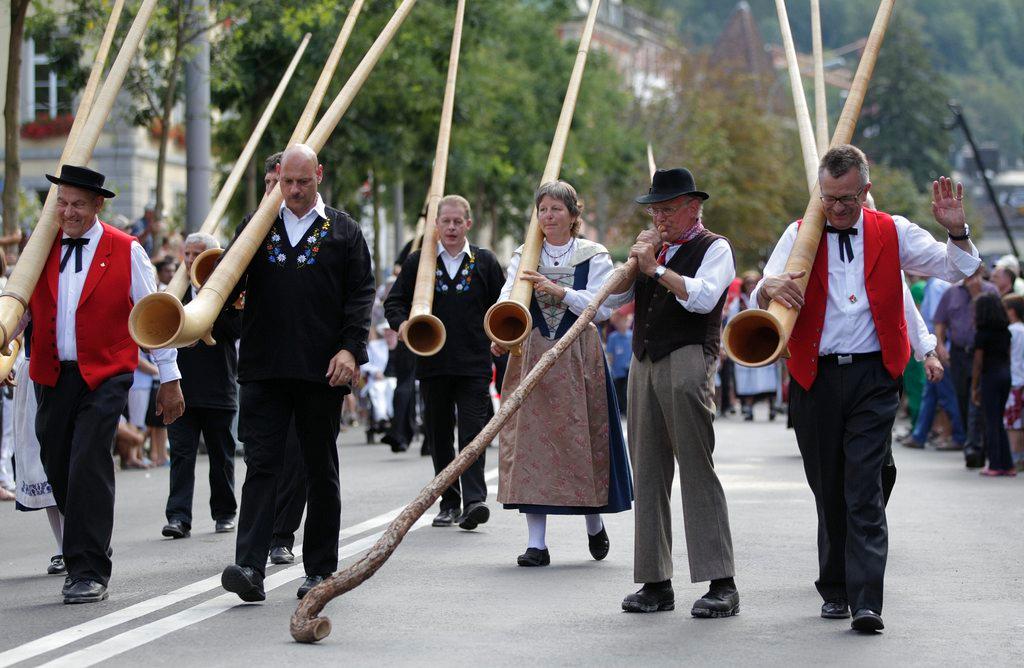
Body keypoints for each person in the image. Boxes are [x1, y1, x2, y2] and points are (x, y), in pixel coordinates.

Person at [752, 145, 980, 632]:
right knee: (828, 487)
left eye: (847, 200)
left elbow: (958, 270)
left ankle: (866, 600)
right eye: (828, 199)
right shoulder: (798, 234)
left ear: (865, 191)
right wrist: (767, 289)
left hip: (875, 378)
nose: (836, 210)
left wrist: (956, 229)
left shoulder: (892, 230)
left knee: (864, 488)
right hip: (814, 377)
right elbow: (761, 293)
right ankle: (833, 586)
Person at [18, 164, 184, 603]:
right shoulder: (41, 247)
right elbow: (20, 307)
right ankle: (89, 537)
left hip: (106, 373)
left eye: (77, 204)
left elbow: (155, 315)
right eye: (62, 203)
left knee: (89, 459)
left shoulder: (125, 249)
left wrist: (169, 378)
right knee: (57, 463)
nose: (68, 212)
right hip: (51, 374)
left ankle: (88, 569)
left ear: (97, 205)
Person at [220, 144, 374, 602]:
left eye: (302, 182)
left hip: (319, 371)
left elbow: (361, 295)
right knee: (261, 464)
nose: (293, 191)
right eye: (286, 182)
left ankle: (320, 568)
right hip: (264, 369)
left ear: (319, 176)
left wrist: (350, 350)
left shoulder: (344, 230)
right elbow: (226, 283)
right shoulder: (257, 225)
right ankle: (249, 566)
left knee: (318, 466)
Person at [605, 168, 738, 618]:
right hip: (644, 361)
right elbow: (608, 301)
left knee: (697, 468)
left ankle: (722, 582)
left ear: (692, 206)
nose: (658, 217)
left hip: (687, 359)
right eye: (654, 210)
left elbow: (701, 298)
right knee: (647, 471)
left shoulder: (715, 247)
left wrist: (656, 268)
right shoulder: (651, 248)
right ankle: (655, 581)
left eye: (666, 209)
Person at [493, 180, 632, 566]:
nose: (548, 216)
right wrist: (501, 333)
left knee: (581, 442)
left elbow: (604, 306)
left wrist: (559, 291)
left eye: (556, 209)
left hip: (577, 355)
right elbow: (508, 297)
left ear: (573, 215)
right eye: (543, 209)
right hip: (533, 353)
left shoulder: (594, 254)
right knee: (531, 447)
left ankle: (593, 523)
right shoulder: (524, 254)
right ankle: (536, 544)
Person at [385, 194, 504, 529]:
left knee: (473, 434)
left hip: (474, 364)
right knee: (438, 436)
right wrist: (403, 325)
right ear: (435, 224)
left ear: (468, 224)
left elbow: (503, 304)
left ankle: (475, 501)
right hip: (433, 364)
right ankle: (448, 502)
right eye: (445, 221)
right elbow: (394, 303)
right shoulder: (418, 263)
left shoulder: (484, 261)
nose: (451, 227)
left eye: (457, 221)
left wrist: (500, 339)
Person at [162, 232, 240, 539]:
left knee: (222, 456)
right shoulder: (173, 294)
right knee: (181, 454)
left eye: (198, 254)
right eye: (188, 254)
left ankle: (224, 513)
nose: (191, 260)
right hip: (181, 387)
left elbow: (237, 330)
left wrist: (215, 304)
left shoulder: (228, 293)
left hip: (219, 386)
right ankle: (178, 518)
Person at [10, 332, 67, 575]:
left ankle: (84, 542)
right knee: (40, 466)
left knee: (71, 461)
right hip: (34, 369)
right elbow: (13, 325)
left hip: (70, 369)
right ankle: (64, 547)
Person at [933, 268, 999, 467]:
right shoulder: (951, 292)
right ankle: (972, 441)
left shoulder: (990, 291)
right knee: (962, 397)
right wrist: (940, 345)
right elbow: (940, 321)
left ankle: (976, 447)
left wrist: (976, 295)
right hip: (960, 354)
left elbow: (993, 321)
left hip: (982, 353)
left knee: (977, 398)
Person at [971, 293, 1015, 476]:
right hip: (1005, 375)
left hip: (990, 376)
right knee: (1000, 421)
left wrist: (975, 386)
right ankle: (1008, 465)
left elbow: (978, 363)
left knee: (991, 420)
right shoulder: (1006, 331)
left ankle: (995, 464)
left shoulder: (982, 334)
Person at [729, 271, 779, 421]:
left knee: (768, 376)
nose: (751, 285)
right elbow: (731, 323)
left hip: (765, 342)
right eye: (748, 283)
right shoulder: (738, 302)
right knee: (748, 378)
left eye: (753, 282)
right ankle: (749, 408)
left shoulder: (766, 299)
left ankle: (772, 407)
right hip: (747, 344)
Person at [1002, 294, 1024, 471]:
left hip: (1015, 380)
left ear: (1012, 311)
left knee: (1013, 422)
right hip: (1021, 380)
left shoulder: (1011, 331)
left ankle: (1015, 457)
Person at [605, 309, 632, 415]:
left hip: (628, 369)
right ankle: (620, 410)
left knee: (627, 390)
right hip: (617, 369)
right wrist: (611, 366)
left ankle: (627, 409)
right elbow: (610, 354)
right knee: (618, 391)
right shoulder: (613, 337)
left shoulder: (631, 335)